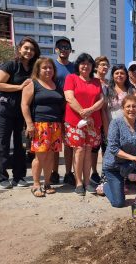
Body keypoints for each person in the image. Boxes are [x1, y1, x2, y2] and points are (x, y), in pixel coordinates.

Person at [0, 36, 40, 189]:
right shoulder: (11, 64)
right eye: (26, 48)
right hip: (5, 110)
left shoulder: (34, 68)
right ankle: (1, 177)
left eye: (32, 49)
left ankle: (19, 176)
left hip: (22, 112)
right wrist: (19, 87)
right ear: (20, 49)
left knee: (20, 146)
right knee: (3, 144)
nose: (29, 51)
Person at [99, 95, 136, 207]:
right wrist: (133, 157)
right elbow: (113, 148)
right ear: (123, 108)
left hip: (131, 164)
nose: (131, 109)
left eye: (134, 106)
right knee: (118, 203)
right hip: (114, 166)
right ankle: (106, 186)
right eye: (128, 106)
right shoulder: (115, 123)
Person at [21, 57, 64, 197]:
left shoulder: (56, 85)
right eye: (44, 68)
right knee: (40, 157)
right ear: (38, 70)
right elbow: (24, 105)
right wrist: (29, 124)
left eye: (50, 67)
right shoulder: (32, 84)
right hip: (40, 125)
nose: (48, 70)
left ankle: (47, 182)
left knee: (51, 156)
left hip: (56, 125)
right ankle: (36, 184)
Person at [64, 53, 104, 196]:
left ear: (92, 66)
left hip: (93, 122)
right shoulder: (71, 78)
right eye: (82, 63)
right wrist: (83, 112)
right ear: (78, 65)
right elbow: (69, 97)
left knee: (88, 150)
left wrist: (90, 111)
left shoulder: (96, 81)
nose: (85, 66)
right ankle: (78, 182)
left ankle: (87, 182)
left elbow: (101, 99)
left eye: (88, 63)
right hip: (75, 121)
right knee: (79, 150)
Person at [51, 37, 75, 185]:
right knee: (54, 142)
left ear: (70, 50)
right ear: (56, 49)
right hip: (53, 107)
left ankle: (68, 173)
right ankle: (54, 172)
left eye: (67, 47)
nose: (64, 49)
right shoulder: (51, 65)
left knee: (68, 143)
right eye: (61, 47)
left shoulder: (74, 67)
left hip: (69, 108)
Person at [90, 56, 111, 184]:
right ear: (96, 67)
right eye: (102, 64)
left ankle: (105, 172)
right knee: (94, 148)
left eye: (106, 65)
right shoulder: (92, 81)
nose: (105, 67)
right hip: (95, 118)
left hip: (107, 119)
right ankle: (94, 172)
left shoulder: (109, 83)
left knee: (106, 147)